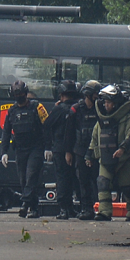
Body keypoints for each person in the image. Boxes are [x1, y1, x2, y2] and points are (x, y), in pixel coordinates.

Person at [86, 84, 130, 221]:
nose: (106, 105)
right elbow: (95, 138)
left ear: (116, 104)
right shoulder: (101, 121)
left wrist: (122, 149)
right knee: (102, 183)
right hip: (105, 159)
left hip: (124, 160)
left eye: (109, 102)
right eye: (105, 102)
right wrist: (89, 154)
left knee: (128, 187)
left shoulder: (127, 119)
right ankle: (104, 212)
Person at [0, 80, 49, 218]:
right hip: (20, 149)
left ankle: (25, 204)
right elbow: (6, 132)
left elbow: (47, 126)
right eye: (16, 94)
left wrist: (48, 148)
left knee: (31, 176)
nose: (19, 96)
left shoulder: (37, 107)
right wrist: (4, 152)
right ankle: (34, 209)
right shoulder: (12, 111)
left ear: (26, 93)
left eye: (21, 93)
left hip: (36, 148)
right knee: (23, 180)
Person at [43, 80, 80, 219]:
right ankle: (72, 208)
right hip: (76, 148)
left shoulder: (59, 109)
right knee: (74, 179)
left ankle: (64, 208)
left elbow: (47, 125)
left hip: (60, 148)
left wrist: (48, 146)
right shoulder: (78, 107)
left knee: (62, 179)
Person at [65, 80, 101, 220]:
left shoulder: (100, 108)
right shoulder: (76, 109)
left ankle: (99, 208)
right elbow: (69, 133)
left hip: (96, 151)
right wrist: (68, 152)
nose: (97, 97)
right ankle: (86, 208)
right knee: (83, 181)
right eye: (95, 94)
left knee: (97, 180)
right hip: (80, 150)